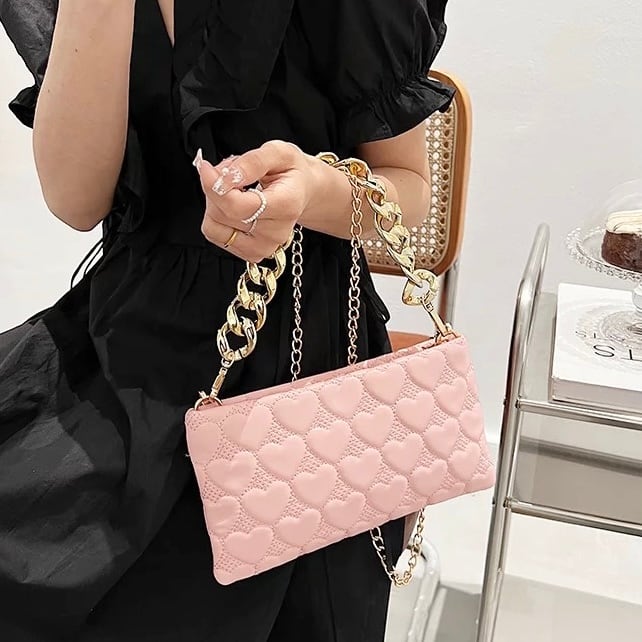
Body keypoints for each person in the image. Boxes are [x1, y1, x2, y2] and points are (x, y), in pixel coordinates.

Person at [0, 1, 454, 640]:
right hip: (120, 347)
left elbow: (408, 189)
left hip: (298, 361)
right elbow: (77, 200)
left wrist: (311, 191)